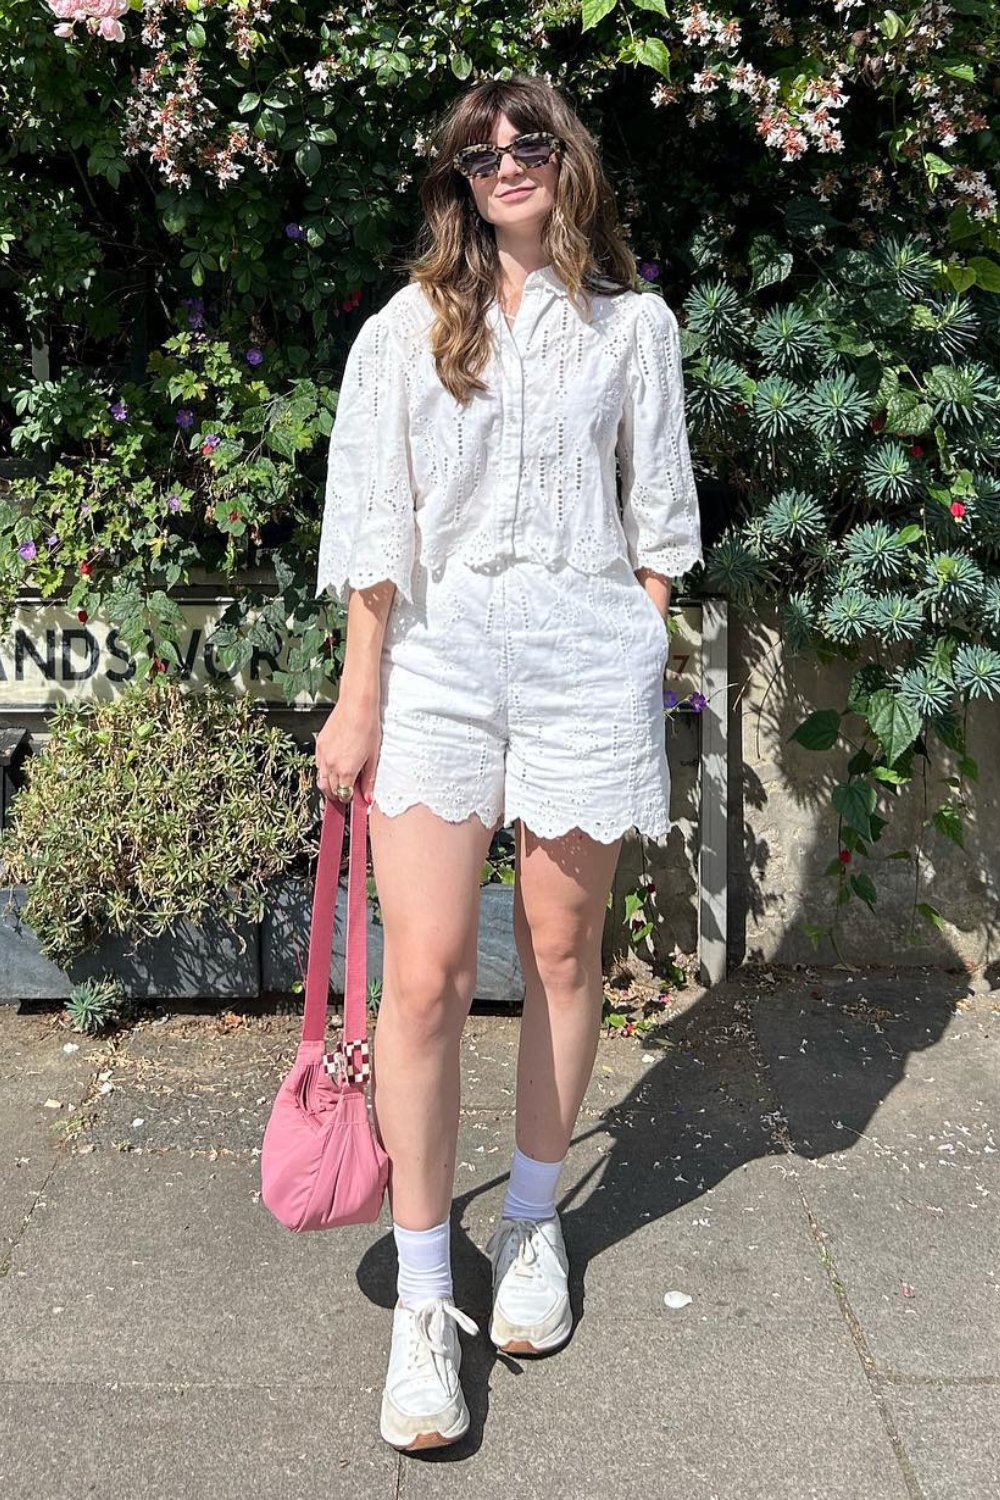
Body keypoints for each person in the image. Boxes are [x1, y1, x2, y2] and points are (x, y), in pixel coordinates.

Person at [313, 73, 704, 1452]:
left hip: (582, 670)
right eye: (481, 151)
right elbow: (374, 538)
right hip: (436, 671)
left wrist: (627, 643)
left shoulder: (633, 331)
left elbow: (660, 519)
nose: (509, 162)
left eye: (530, 141)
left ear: (565, 159)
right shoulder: (402, 332)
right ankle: (428, 1296)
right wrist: (356, 702)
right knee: (419, 976)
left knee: (558, 947)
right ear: (456, 180)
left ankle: (532, 1226)